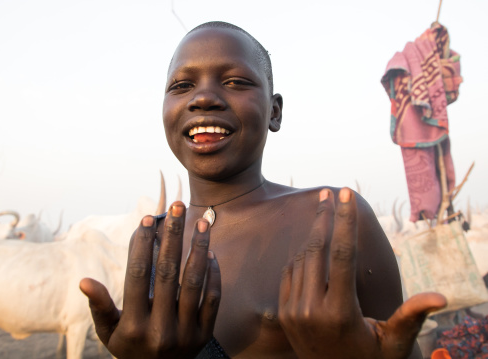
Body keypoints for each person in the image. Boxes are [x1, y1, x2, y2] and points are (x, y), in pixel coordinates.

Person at [79, 21, 447, 358]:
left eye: (236, 81)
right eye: (181, 85)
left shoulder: (334, 217)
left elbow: (396, 348)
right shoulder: (156, 240)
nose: (203, 98)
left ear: (274, 112)